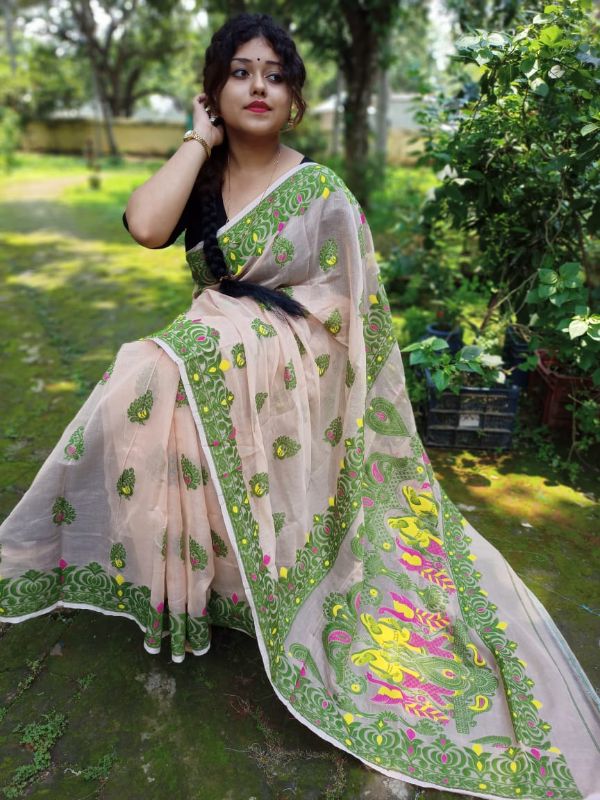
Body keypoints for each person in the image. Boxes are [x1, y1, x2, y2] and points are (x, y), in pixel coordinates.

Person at [0, 13, 598, 800]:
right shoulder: (204, 177)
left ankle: (263, 580)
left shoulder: (321, 192)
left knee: (170, 361)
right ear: (213, 92)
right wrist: (197, 141)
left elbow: (351, 311)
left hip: (297, 369)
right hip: (213, 355)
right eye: (241, 72)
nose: (259, 86)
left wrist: (253, 338)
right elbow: (145, 225)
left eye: (275, 75)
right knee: (148, 378)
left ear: (294, 99)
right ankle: (203, 584)